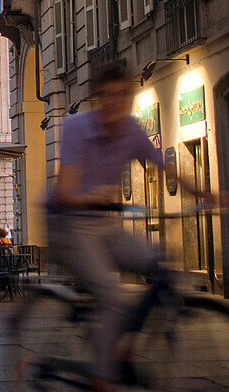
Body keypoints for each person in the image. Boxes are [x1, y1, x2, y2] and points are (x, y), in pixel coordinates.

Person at [48, 60, 215, 392]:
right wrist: (91, 196)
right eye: (107, 96)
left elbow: (166, 167)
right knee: (113, 296)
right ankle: (100, 373)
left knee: (160, 266)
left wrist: (206, 194)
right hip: (66, 226)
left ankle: (120, 344)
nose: (114, 103)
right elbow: (65, 191)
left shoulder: (130, 129)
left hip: (101, 225)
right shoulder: (76, 128)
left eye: (121, 96)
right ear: (96, 99)